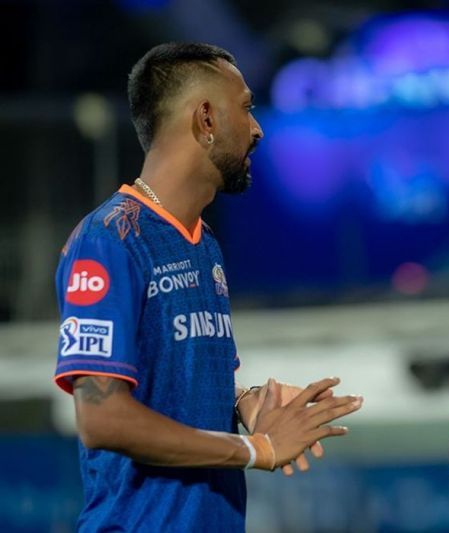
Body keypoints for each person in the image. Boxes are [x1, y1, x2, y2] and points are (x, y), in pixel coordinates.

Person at [53, 42, 363, 532]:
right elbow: (102, 418)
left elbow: (173, 377)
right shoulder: (109, 240)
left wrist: (243, 400)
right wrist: (255, 449)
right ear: (206, 119)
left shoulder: (204, 243)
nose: (258, 128)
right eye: (245, 107)